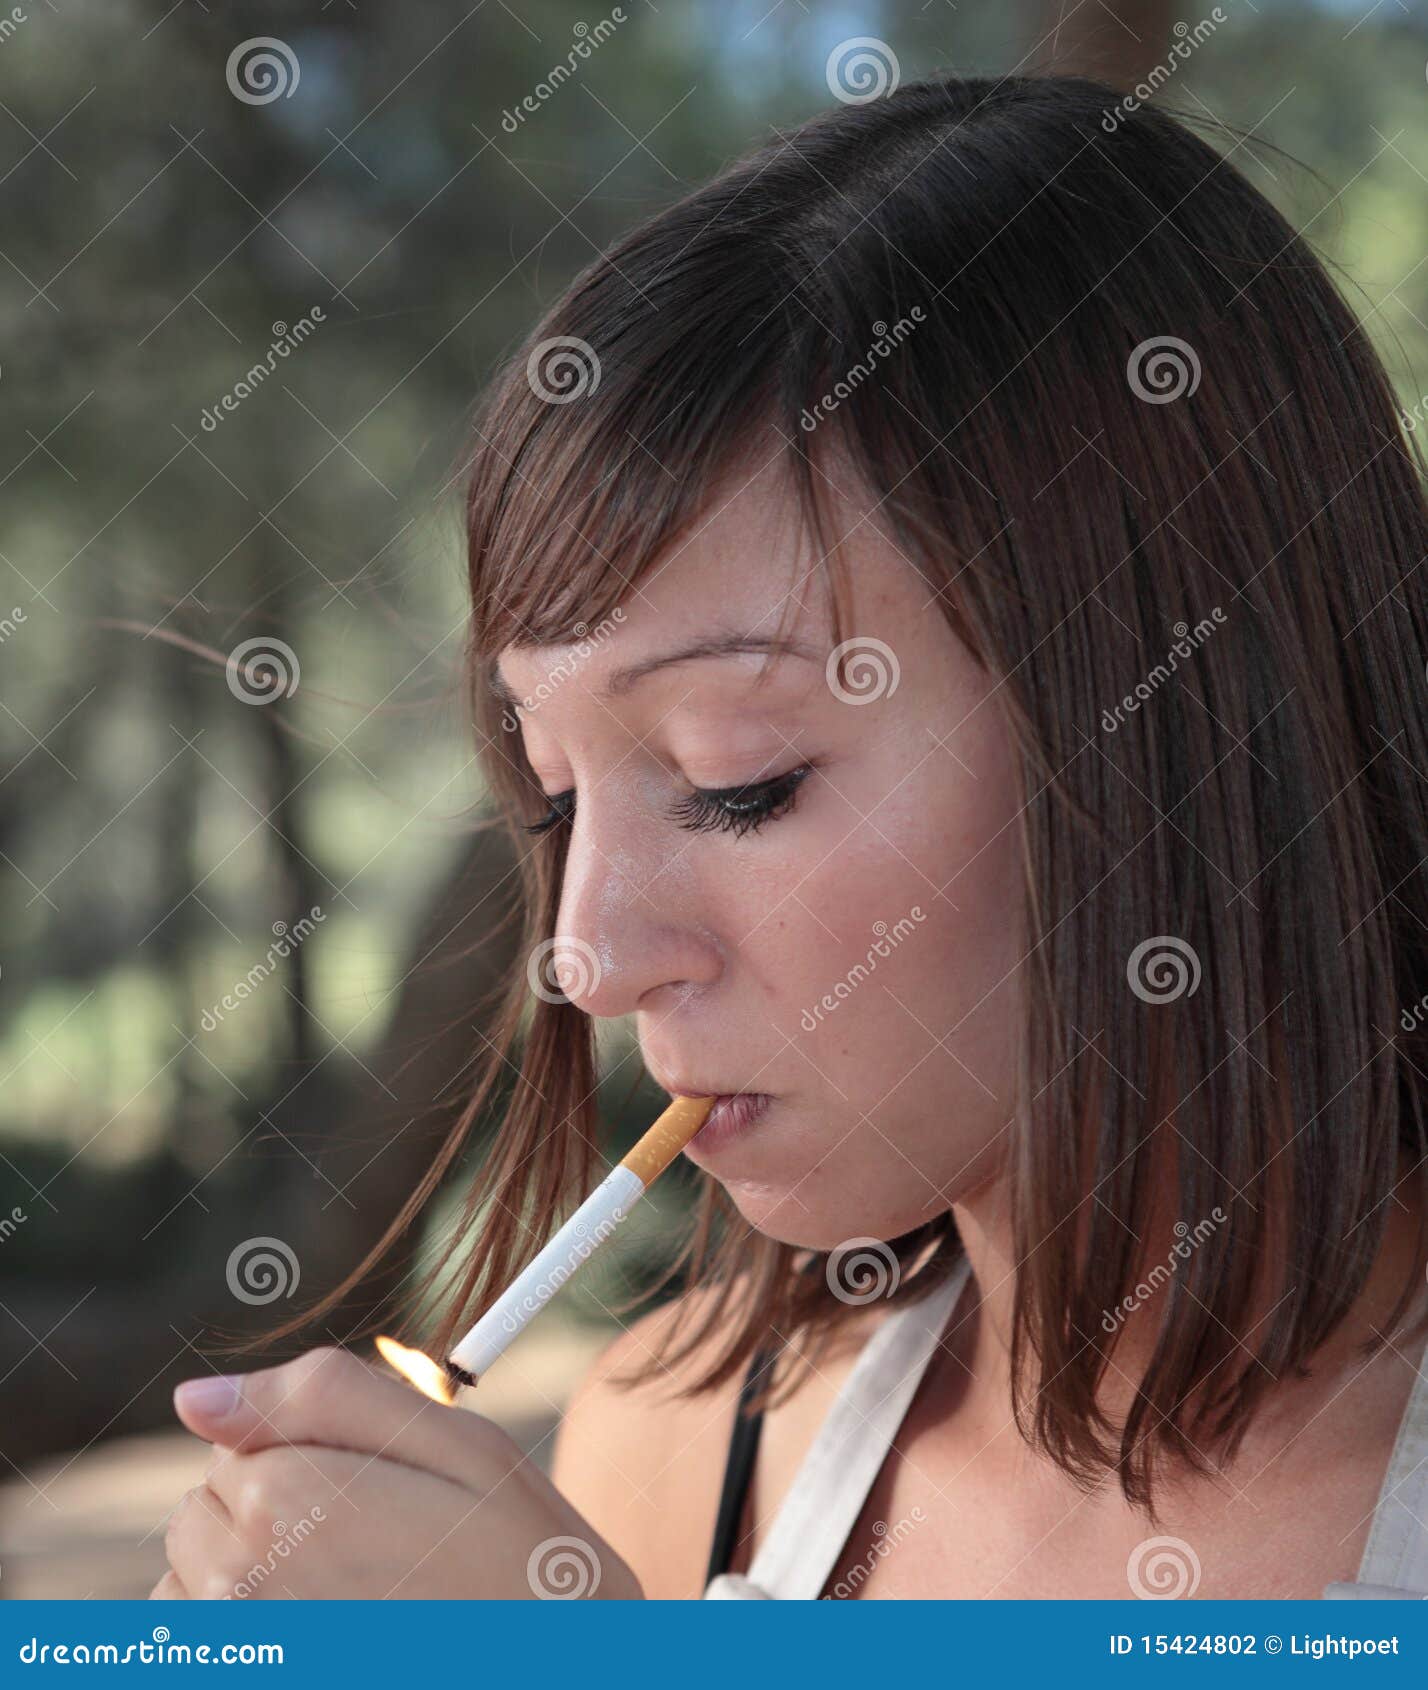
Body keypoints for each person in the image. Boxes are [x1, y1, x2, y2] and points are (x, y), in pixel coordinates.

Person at [155, 69, 1428, 1602]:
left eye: (737, 779)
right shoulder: (671, 1458)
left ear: (1179, 712)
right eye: (556, 795)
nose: (588, 954)